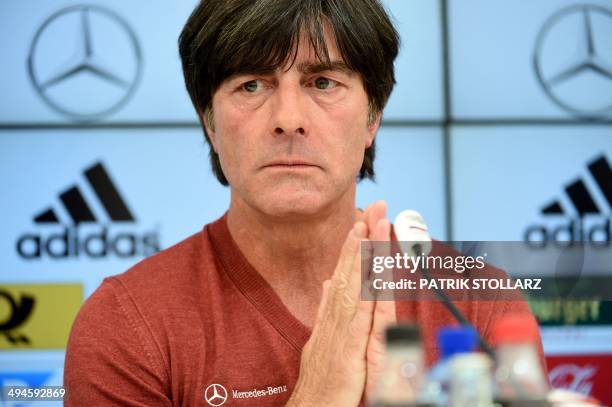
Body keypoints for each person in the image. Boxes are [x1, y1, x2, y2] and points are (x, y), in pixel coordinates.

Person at [64, 0, 544, 405]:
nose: (288, 119)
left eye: (322, 83)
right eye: (251, 84)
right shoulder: (127, 323)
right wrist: (317, 394)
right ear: (209, 122)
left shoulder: (476, 302)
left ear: (373, 117)